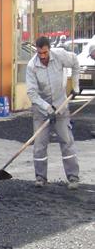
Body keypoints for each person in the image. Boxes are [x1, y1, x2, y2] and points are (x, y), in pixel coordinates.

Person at [26, 36, 80, 190]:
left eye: (45, 53)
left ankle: (73, 177)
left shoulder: (59, 55)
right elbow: (32, 93)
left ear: (49, 49)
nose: (42, 56)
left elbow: (75, 62)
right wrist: (47, 108)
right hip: (41, 110)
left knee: (66, 141)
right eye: (39, 53)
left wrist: (75, 85)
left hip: (61, 105)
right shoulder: (32, 66)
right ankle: (40, 178)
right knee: (39, 144)